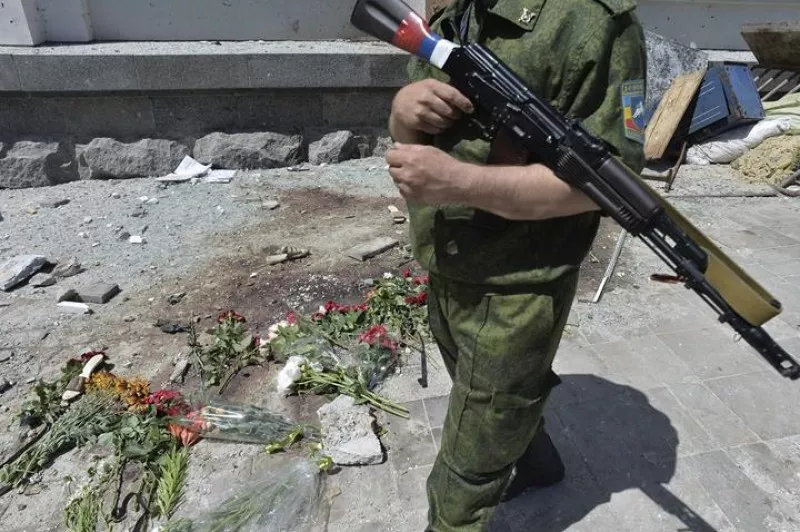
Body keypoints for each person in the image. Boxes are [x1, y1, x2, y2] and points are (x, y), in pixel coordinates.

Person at [384, 0, 648, 530]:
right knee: (484, 390)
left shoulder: (601, 26)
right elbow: (421, 127)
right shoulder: (456, 11)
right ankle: (536, 459)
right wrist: (402, 110)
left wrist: (461, 183)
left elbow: (610, 183)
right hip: (450, 259)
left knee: (469, 462)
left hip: (519, 286)